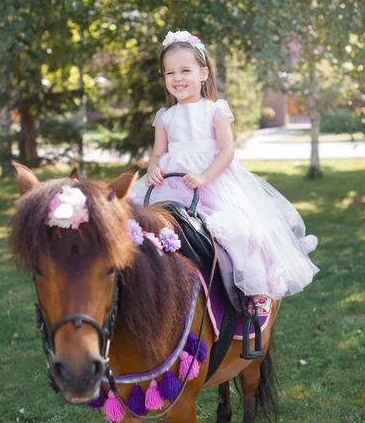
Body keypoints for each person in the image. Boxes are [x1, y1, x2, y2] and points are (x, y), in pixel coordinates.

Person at [129, 30, 319, 315]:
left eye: (185, 70)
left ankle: (256, 290)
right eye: (170, 73)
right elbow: (158, 153)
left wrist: (205, 177)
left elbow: (227, 152)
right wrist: (155, 167)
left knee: (237, 230)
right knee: (145, 225)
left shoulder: (214, 110)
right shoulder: (165, 117)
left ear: (204, 73)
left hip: (212, 180)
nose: (177, 78)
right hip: (173, 182)